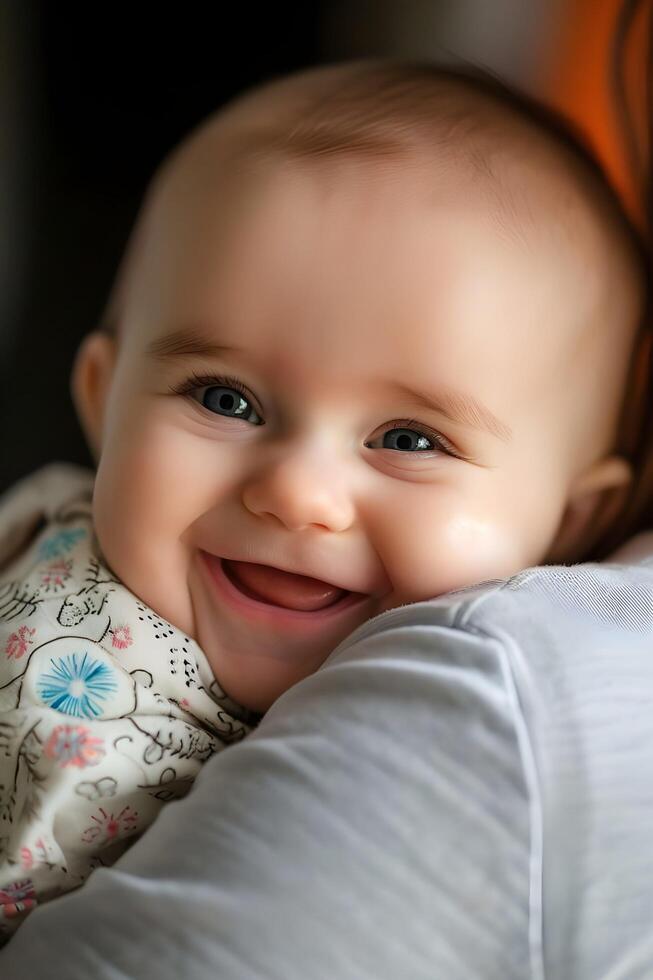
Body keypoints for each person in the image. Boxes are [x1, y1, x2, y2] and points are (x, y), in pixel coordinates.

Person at [0, 59, 649, 940]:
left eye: (410, 440)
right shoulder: (33, 543)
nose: (296, 493)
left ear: (570, 523)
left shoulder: (440, 751)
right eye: (224, 399)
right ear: (100, 401)